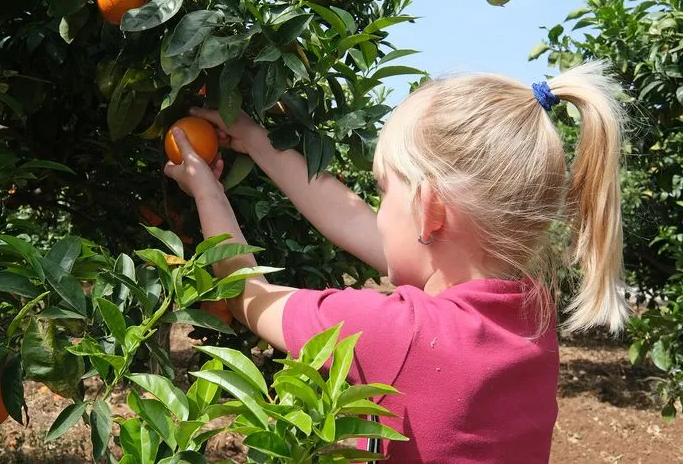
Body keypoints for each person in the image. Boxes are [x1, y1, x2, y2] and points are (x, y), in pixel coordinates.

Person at [162, 61, 630, 463]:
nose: (376, 210)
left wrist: (206, 191)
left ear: (429, 210)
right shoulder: (529, 316)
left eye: (383, 191)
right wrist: (255, 139)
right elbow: (351, 220)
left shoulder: (395, 332)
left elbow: (248, 293)